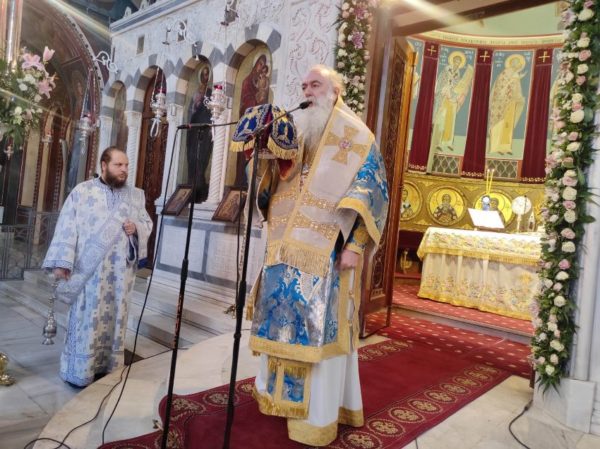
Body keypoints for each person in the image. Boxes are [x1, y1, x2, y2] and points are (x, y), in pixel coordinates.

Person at [247, 65, 389, 446]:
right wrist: (266, 157)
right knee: (281, 324)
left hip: (328, 256)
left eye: (315, 84)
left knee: (318, 333)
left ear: (334, 90)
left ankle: (318, 417)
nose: (308, 91)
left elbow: (373, 192)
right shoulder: (297, 131)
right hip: (284, 252)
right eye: (304, 85)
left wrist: (356, 245)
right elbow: (275, 186)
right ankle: (277, 400)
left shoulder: (356, 135)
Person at [42, 146, 153, 387]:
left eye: (126, 165)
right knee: (86, 319)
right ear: (104, 165)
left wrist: (136, 228)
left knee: (115, 320)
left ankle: (108, 368)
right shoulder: (82, 192)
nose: (124, 170)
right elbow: (67, 226)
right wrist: (62, 262)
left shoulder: (135, 196)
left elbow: (146, 222)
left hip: (120, 275)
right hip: (89, 274)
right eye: (118, 165)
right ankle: (79, 369)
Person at [429, 51, 473, 153]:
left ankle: (447, 142)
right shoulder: (445, 71)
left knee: (450, 120)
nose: (457, 64)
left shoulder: (458, 75)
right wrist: (444, 91)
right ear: (452, 61)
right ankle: (437, 142)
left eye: (459, 62)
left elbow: (458, 88)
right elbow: (439, 83)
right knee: (440, 120)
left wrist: (454, 95)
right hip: (443, 99)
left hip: (451, 100)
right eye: (456, 61)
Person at [488, 54, 527, 155]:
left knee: (508, 125)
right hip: (501, 103)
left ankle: (505, 147)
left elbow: (517, 89)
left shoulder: (515, 74)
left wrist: (518, 97)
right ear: (512, 63)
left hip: (511, 103)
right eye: (517, 63)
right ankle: (496, 147)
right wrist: (514, 80)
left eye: (519, 64)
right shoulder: (505, 73)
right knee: (500, 124)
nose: (518, 65)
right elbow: (500, 86)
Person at [186, 65, 213, 202]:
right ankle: (191, 186)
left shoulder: (210, 93)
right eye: (203, 74)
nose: (205, 77)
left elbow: (211, 114)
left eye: (207, 74)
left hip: (204, 131)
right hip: (194, 132)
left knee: (201, 160)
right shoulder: (195, 93)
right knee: (192, 159)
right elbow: (190, 113)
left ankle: (200, 187)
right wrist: (195, 106)